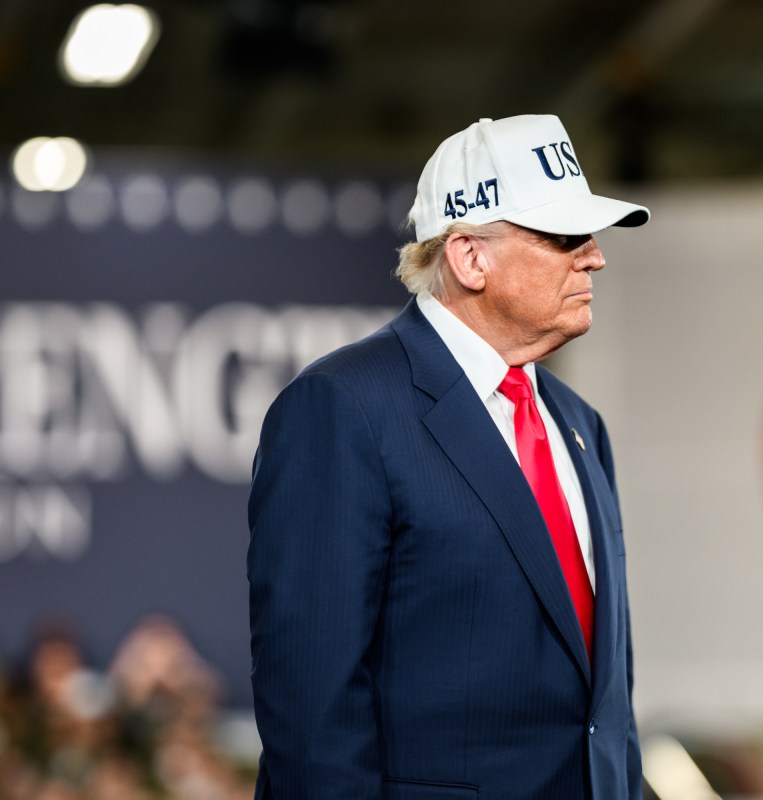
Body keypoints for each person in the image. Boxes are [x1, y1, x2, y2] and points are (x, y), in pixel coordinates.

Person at [247, 114, 649, 800]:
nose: (595, 256)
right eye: (562, 236)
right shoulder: (342, 408)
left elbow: (599, 712)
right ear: (469, 258)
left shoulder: (581, 426)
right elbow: (313, 713)